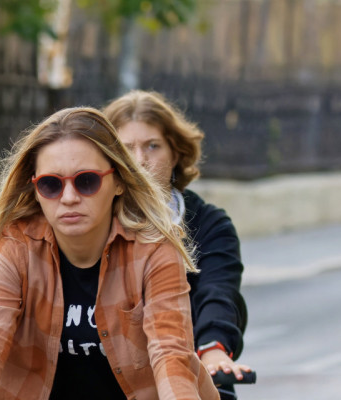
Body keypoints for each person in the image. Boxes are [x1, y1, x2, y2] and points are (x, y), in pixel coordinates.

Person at [0, 107, 219, 400]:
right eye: (51, 184)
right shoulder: (16, 247)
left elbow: (171, 355)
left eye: (86, 181)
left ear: (119, 181)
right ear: (35, 188)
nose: (69, 198)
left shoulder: (154, 249)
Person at [103, 90, 250, 399]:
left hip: (189, 371)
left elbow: (218, 291)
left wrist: (213, 348)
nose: (140, 160)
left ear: (176, 153)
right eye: (127, 149)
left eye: (152, 146)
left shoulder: (210, 223)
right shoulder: (91, 221)